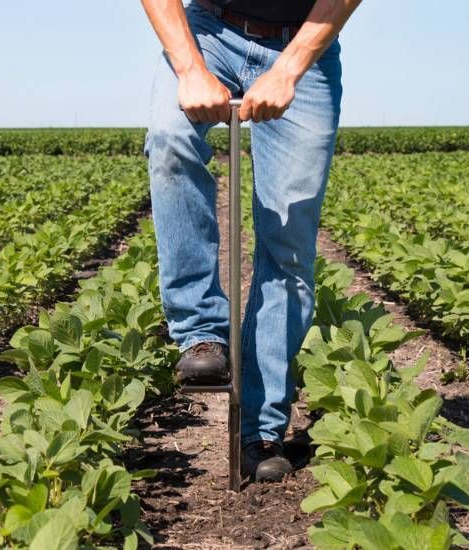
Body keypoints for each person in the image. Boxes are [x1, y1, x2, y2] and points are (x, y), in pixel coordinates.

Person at [140, 0, 361, 482]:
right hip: (208, 32)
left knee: (289, 240)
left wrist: (289, 67)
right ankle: (201, 333)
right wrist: (190, 68)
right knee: (170, 138)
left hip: (305, 40)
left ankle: (261, 430)